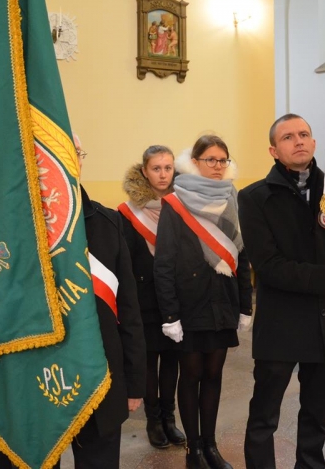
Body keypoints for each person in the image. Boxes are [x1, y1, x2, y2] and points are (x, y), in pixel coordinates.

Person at [0, 137, 146, 469]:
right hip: (27, 385)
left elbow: (128, 310)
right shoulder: (1, 228)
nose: (67, 161)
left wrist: (135, 380)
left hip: (99, 379)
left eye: (74, 153)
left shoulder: (108, 223)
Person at [239, 113, 325, 469]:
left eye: (304, 134)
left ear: (313, 143)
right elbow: (268, 266)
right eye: (287, 137)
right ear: (273, 150)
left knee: (316, 417)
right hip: (281, 326)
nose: (298, 141)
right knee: (264, 416)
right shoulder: (255, 198)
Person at [154, 134, 253, 469]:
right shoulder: (176, 202)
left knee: (214, 374)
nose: (217, 166)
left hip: (222, 302)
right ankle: (193, 450)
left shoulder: (231, 198)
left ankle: (210, 446)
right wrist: (170, 315)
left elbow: (241, 255)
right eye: (210, 159)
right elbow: (164, 264)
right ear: (194, 162)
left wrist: (245, 305)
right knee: (191, 374)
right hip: (190, 305)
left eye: (223, 160)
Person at [119, 145, 186, 449]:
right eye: (156, 168)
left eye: (168, 168)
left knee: (172, 359)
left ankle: (170, 418)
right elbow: (125, 260)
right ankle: (153, 420)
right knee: (148, 361)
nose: (163, 174)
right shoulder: (127, 212)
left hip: (174, 296)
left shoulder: (182, 205)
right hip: (144, 298)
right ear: (144, 171)